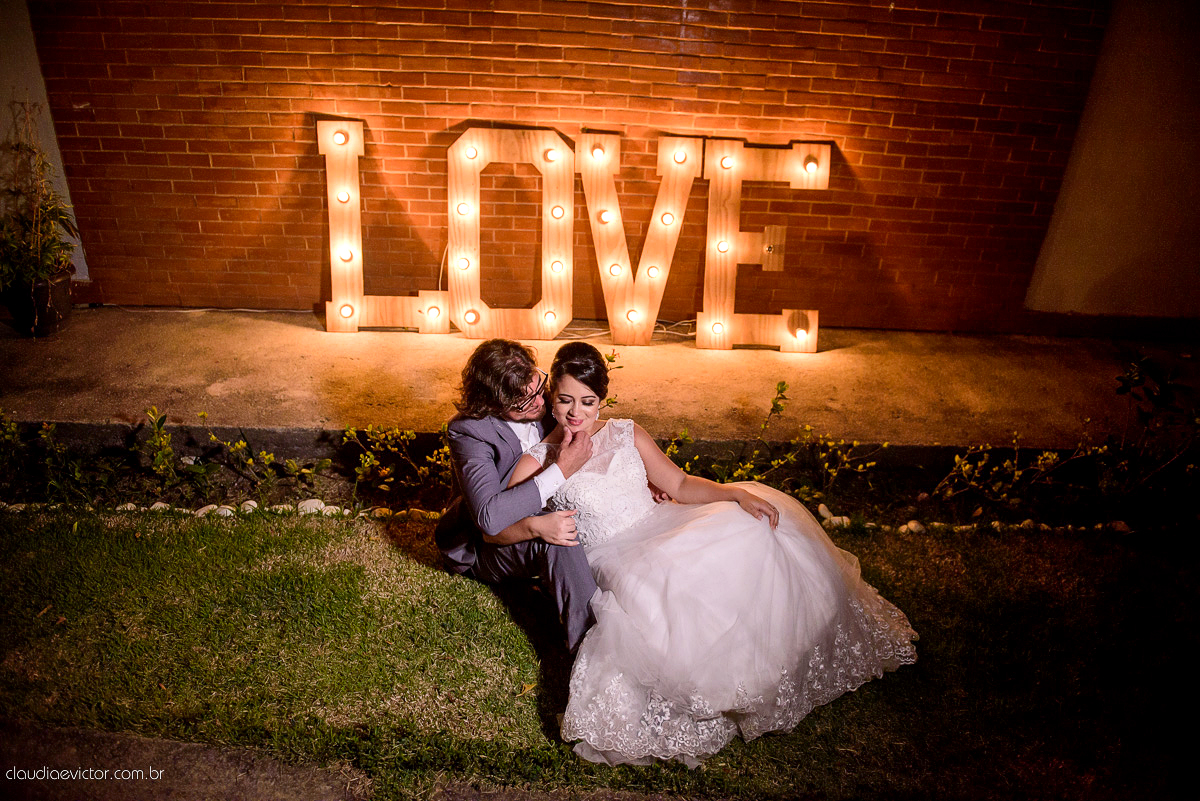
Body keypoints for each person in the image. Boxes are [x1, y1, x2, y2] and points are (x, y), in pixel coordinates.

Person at [508, 342, 918, 767]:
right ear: (550, 398)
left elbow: (681, 485)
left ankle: (775, 660)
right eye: (566, 400)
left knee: (748, 529)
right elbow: (497, 526)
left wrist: (733, 493)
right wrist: (538, 522)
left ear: (602, 401)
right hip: (614, 554)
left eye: (588, 402)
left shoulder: (625, 432)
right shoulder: (537, 461)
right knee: (673, 586)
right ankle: (725, 687)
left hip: (659, 522)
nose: (577, 413)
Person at [434, 339, 599, 653]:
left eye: (538, 388)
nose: (538, 403)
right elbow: (489, 518)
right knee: (560, 539)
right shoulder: (469, 431)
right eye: (522, 404)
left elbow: (589, 423)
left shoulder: (546, 397)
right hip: (487, 545)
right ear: (491, 404)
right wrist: (560, 472)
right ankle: (590, 651)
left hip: (549, 514)